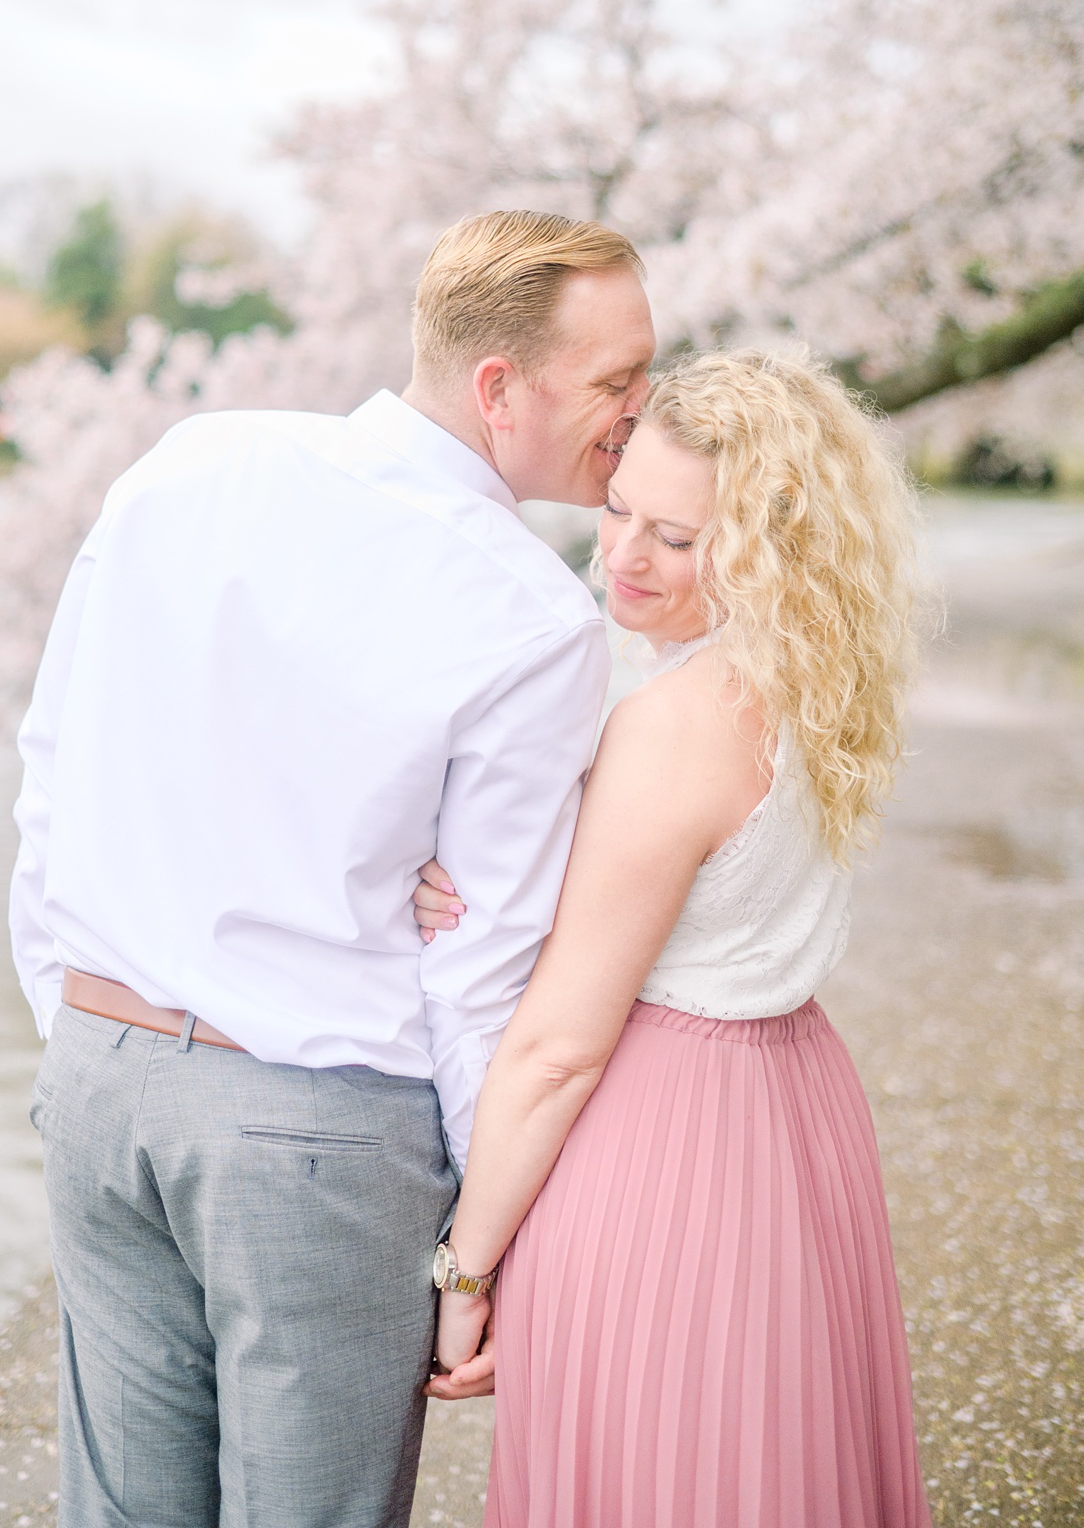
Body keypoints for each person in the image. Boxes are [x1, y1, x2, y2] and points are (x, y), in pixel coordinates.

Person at [10, 209, 655, 1527]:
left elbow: (50, 767)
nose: (642, 412)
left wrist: (76, 1028)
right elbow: (481, 975)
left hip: (99, 1078)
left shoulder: (188, 462)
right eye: (617, 383)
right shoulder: (534, 616)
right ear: (499, 388)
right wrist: (473, 1266)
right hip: (314, 1127)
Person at [413, 348, 930, 1524]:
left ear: (765, 547)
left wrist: (467, 1271)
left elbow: (555, 1047)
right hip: (795, 1112)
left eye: (679, 538)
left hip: (666, 1144)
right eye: (615, 507)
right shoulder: (811, 680)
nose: (624, 556)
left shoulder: (672, 724)